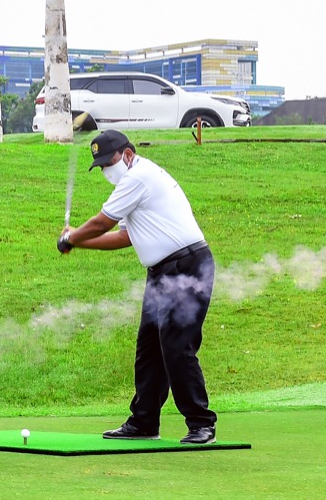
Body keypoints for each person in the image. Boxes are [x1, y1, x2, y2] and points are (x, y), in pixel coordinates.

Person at [57, 129, 217, 444]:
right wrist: (78, 243)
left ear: (128, 154)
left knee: (175, 346)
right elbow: (124, 236)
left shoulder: (138, 177)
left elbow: (101, 223)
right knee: (149, 349)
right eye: (101, 165)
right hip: (161, 272)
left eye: (109, 161)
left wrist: (71, 237)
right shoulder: (133, 182)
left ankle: (202, 424)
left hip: (186, 265)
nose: (106, 169)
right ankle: (144, 423)